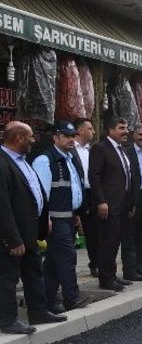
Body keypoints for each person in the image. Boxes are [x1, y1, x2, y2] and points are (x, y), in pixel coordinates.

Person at [0, 121, 64, 334]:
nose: (33, 139)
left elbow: (33, 192)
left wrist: (43, 219)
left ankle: (38, 311)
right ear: (18, 137)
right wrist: (13, 239)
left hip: (30, 231)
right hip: (13, 236)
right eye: (30, 136)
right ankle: (8, 320)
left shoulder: (23, 161)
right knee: (8, 278)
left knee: (34, 272)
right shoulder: (3, 162)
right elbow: (3, 205)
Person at [31, 122, 90, 313]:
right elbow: (41, 194)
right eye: (66, 135)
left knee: (53, 263)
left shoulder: (69, 158)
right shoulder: (45, 160)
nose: (71, 139)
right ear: (55, 138)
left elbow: (72, 190)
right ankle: (71, 298)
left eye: (73, 135)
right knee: (66, 258)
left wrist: (76, 214)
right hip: (54, 220)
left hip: (68, 217)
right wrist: (44, 219)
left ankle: (48, 301)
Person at [88, 115, 137, 292]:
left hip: (122, 204)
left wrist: (130, 203)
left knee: (116, 240)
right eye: (121, 128)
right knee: (108, 241)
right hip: (108, 205)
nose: (126, 131)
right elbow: (94, 176)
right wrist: (101, 201)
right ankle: (106, 278)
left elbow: (127, 177)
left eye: (126, 128)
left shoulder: (122, 150)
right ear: (110, 130)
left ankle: (112, 274)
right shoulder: (100, 148)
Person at [122, 124, 142, 281]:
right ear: (133, 135)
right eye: (141, 135)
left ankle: (140, 267)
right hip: (133, 199)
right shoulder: (126, 153)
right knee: (130, 236)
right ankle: (129, 270)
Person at [72, 117, 97, 277]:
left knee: (94, 232)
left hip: (91, 194)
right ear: (80, 130)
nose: (93, 131)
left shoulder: (91, 150)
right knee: (69, 232)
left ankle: (95, 264)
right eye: (90, 128)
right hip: (74, 194)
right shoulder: (69, 149)